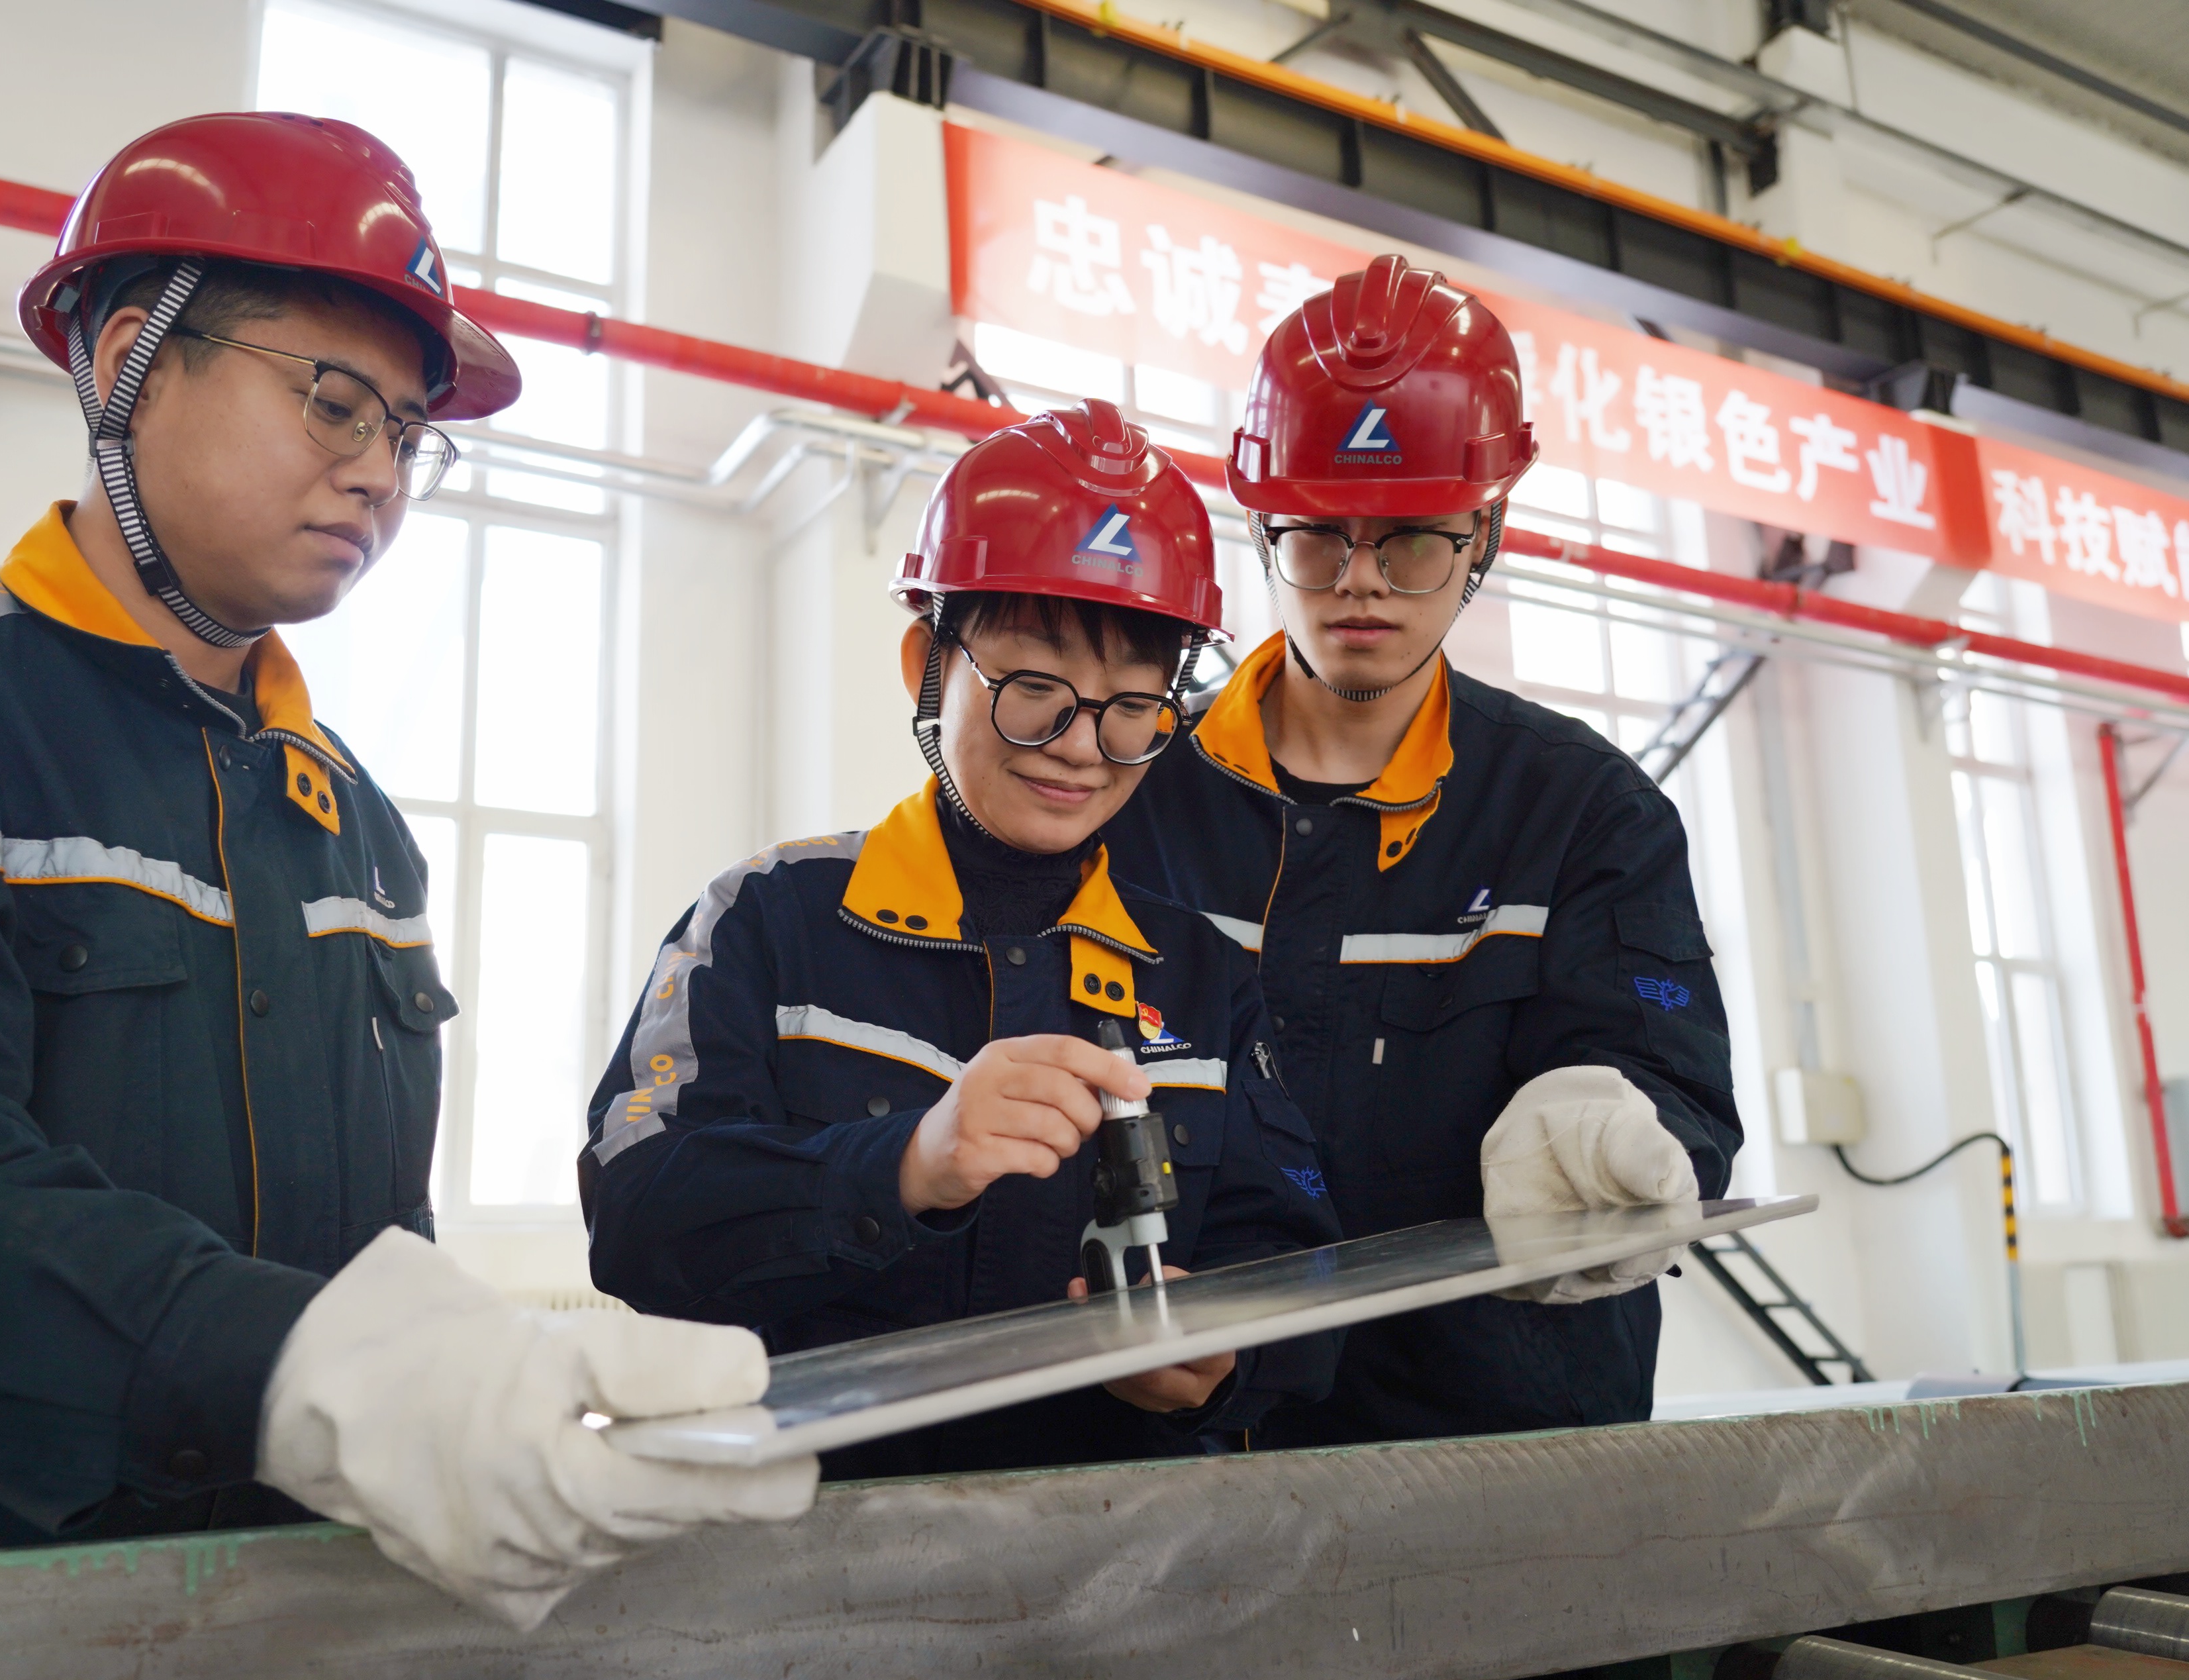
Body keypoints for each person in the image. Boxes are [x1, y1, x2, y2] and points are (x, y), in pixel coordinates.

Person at [0, 112, 808, 1680]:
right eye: (332, 397)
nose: (379, 465)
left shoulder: (346, 820)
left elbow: (364, 1250)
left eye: (412, 429)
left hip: (201, 1668)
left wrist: (466, 1388)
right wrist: (303, 1368)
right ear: (123, 359)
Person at [579, 399, 1341, 1479]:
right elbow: (639, 1216)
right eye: (1036, 691)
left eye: (1134, 708)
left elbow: (1309, 1268)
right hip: (802, 1570)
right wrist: (902, 1167)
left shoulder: (1204, 977)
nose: (1082, 748)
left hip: (1112, 1568)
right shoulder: (770, 920)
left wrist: (1229, 1355)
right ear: (926, 667)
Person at [1102, 254, 1742, 1448]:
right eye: (1317, 540)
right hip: (1192, 1445)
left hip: (1501, 1455)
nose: (1359, 586)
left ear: (1485, 530)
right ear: (1261, 526)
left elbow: (1672, 1085)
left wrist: (1610, 1120)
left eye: (1410, 545)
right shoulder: (1134, 798)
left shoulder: (1584, 813)